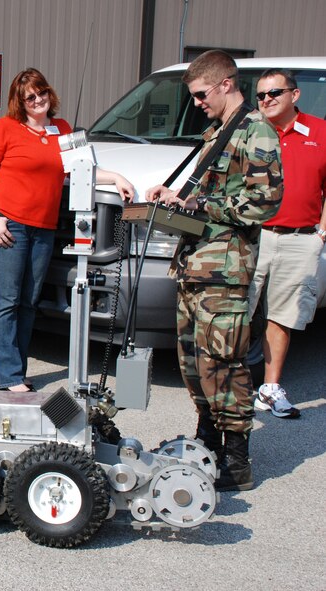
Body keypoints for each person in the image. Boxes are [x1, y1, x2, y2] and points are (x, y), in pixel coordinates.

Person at [145, 50, 283, 491]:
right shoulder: (216, 131)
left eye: (202, 94)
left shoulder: (254, 130)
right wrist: (174, 198)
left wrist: (199, 204)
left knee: (225, 362)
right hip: (195, 265)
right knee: (193, 362)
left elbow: (265, 203)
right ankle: (208, 440)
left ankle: (236, 460)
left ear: (226, 83)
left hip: (225, 269)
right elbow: (206, 196)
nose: (198, 102)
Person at [0, 68, 133, 393]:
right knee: (6, 299)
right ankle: (10, 376)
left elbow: (83, 169)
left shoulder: (62, 130)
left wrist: (116, 177)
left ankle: (17, 370)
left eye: (41, 92)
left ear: (49, 92)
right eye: (29, 97)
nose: (37, 100)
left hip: (43, 229)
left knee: (29, 301)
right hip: (9, 224)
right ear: (19, 102)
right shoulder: (4, 128)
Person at [248, 69, 326, 419]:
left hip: (300, 239)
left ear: (294, 95)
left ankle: (270, 389)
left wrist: (322, 233)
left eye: (274, 92)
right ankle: (229, 389)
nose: (266, 100)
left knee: (281, 318)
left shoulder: (320, 132)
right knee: (237, 313)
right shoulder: (250, 131)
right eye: (261, 95)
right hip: (253, 237)